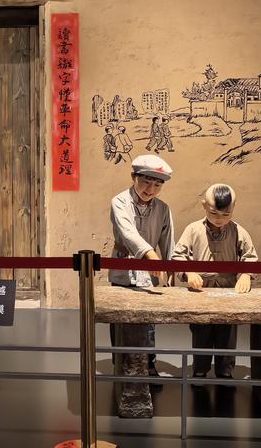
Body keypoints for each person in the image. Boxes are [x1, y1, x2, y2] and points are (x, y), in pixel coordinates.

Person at [172, 184, 258, 380]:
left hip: (229, 290)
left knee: (227, 333)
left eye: (226, 214)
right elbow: (178, 255)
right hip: (200, 290)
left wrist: (246, 274)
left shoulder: (238, 231)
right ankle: (200, 369)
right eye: (214, 213)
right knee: (201, 331)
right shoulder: (193, 229)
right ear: (204, 205)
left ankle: (225, 371)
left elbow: (250, 256)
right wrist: (189, 271)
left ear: (234, 208)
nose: (219, 219)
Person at [109, 154, 175, 378]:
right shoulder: (120, 201)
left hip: (150, 274)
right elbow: (128, 234)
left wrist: (170, 272)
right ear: (133, 177)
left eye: (157, 185)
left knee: (148, 322)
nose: (151, 189)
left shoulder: (163, 209)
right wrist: (150, 255)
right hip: (123, 268)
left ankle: (149, 364)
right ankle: (120, 364)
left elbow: (168, 242)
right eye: (146, 182)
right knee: (120, 318)